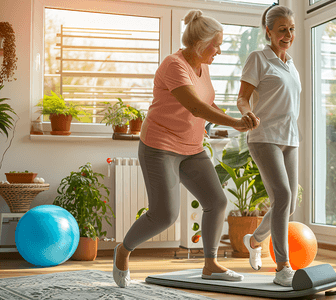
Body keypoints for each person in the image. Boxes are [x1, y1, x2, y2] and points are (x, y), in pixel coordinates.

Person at [113, 9, 259, 288]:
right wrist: (236, 124)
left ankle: (210, 264)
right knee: (164, 214)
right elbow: (193, 105)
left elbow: (208, 104)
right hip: (160, 146)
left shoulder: (203, 68)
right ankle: (124, 249)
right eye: (216, 44)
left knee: (217, 202)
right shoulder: (173, 65)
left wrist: (235, 120)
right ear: (200, 43)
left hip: (192, 148)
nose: (219, 49)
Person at [237, 4, 301, 287]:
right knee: (283, 195)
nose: (287, 34)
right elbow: (242, 97)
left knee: (289, 205)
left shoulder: (291, 64)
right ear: (268, 31)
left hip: (290, 138)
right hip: (264, 136)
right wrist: (245, 112)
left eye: (291, 29)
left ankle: (254, 240)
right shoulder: (258, 58)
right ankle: (283, 267)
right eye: (281, 30)